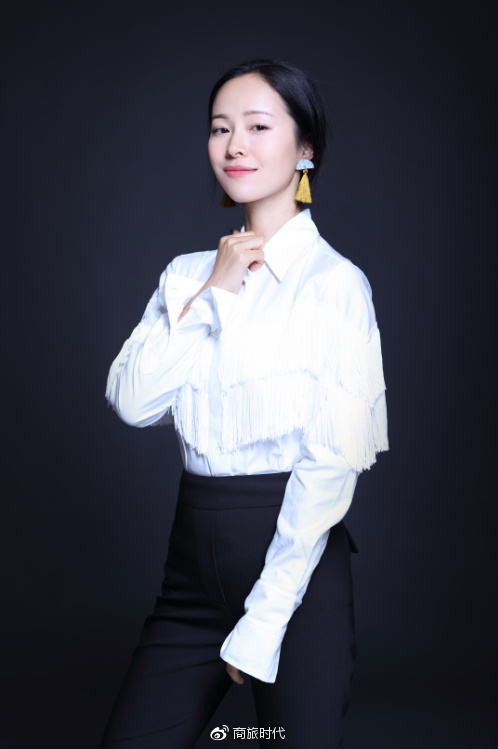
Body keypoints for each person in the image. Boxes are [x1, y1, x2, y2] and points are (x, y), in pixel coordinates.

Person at [100, 59, 388, 749]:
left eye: (258, 127)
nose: (235, 145)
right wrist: (214, 294)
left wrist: (264, 619)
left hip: (295, 568)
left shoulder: (335, 286)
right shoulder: (186, 276)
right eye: (220, 128)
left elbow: (330, 465)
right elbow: (133, 403)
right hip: (191, 569)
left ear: (305, 147)